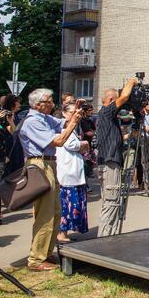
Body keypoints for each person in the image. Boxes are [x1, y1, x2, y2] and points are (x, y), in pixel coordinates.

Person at [20, 88, 83, 270]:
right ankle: (36, 259)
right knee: (45, 214)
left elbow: (64, 124)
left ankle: (45, 254)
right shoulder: (33, 121)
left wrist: (75, 114)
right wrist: (73, 123)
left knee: (56, 211)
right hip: (39, 166)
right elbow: (58, 141)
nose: (52, 104)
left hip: (49, 164)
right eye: (49, 101)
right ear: (39, 105)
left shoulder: (44, 118)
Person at [96, 79, 137, 237]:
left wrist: (128, 136)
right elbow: (125, 96)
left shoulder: (106, 118)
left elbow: (111, 138)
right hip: (110, 163)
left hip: (108, 162)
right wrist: (132, 82)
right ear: (112, 100)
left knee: (110, 201)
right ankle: (105, 239)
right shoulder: (107, 111)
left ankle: (108, 236)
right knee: (112, 203)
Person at [56, 102, 89, 242]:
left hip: (74, 172)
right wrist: (84, 144)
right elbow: (71, 145)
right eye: (72, 112)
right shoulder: (63, 127)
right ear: (64, 113)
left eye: (77, 112)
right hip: (67, 174)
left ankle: (66, 232)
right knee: (67, 205)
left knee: (74, 205)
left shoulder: (74, 127)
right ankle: (61, 233)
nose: (76, 115)